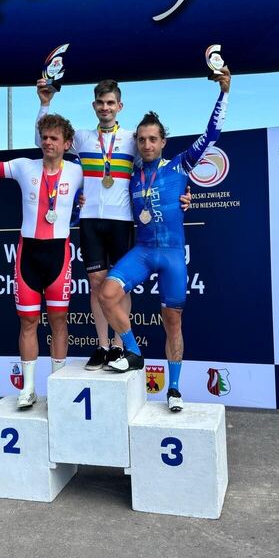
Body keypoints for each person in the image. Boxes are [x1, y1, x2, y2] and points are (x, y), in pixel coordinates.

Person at [99, 67, 231, 412]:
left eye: (152, 139)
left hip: (171, 254)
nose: (146, 144)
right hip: (143, 251)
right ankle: (134, 352)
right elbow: (100, 187)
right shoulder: (128, 174)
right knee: (107, 294)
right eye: (141, 139)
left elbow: (212, 134)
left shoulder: (180, 166)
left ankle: (173, 388)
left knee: (173, 322)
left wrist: (224, 93)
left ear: (162, 142)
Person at [35, 79, 191, 371]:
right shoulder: (82, 138)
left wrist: (181, 194)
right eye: (100, 103)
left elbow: (160, 166)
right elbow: (41, 141)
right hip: (91, 220)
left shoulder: (133, 138)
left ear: (119, 106)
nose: (105, 108)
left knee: (120, 287)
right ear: (94, 106)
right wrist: (45, 104)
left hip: (121, 220)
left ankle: (120, 347)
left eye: (110, 103)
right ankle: (103, 346)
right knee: (97, 284)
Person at [0, 107, 83, 408]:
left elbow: (112, 190)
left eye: (54, 138)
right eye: (44, 137)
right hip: (28, 254)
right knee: (28, 322)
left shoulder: (77, 171)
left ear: (67, 143)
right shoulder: (24, 167)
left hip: (59, 254)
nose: (48, 142)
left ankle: (56, 388)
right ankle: (28, 388)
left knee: (58, 321)